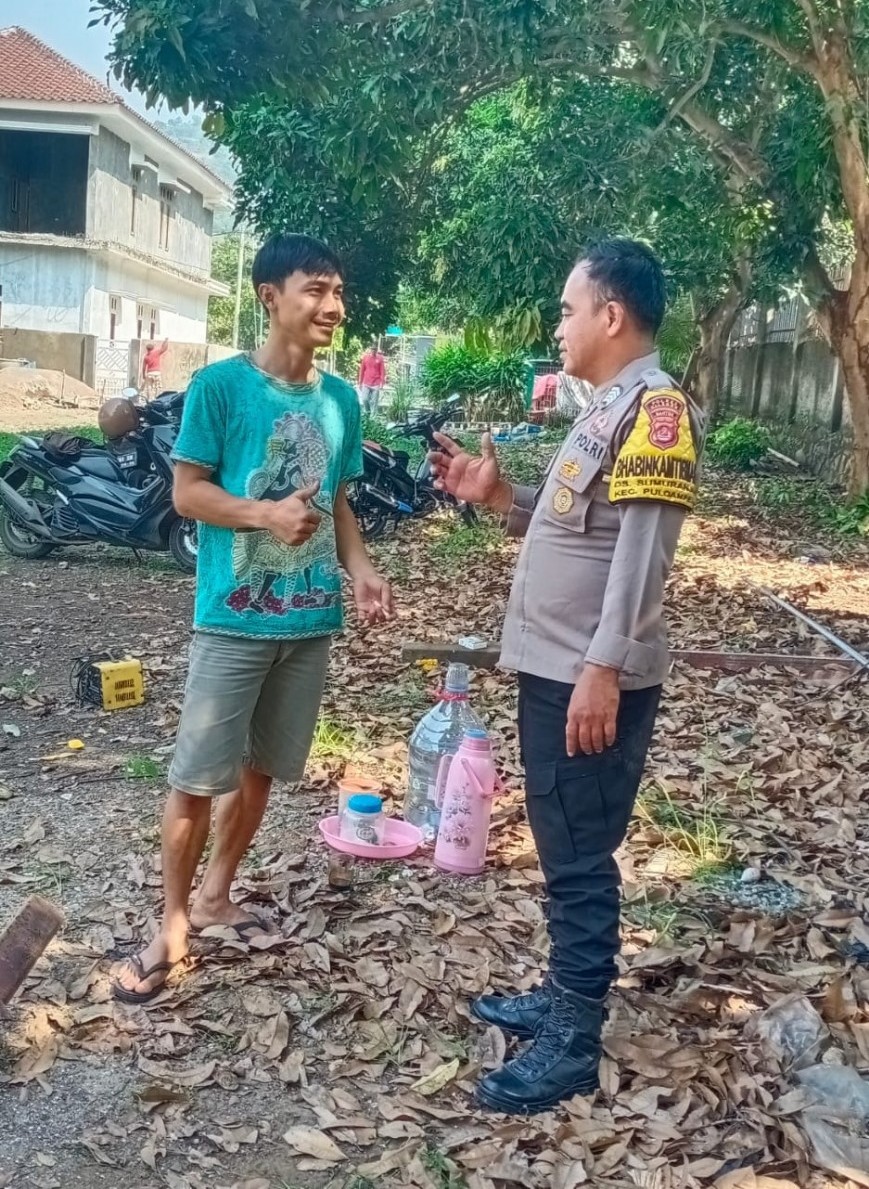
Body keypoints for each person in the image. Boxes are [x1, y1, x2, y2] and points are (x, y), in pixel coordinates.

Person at [430, 238, 705, 1114]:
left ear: (610, 315)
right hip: (558, 666)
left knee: (579, 853)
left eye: (566, 309)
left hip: (587, 672)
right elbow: (579, 529)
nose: (558, 326)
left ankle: (574, 1040)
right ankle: (562, 992)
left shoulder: (656, 410)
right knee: (561, 840)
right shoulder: (605, 409)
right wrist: (497, 498)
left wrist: (602, 667)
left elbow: (641, 554)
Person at [113, 233, 393, 1003]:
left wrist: (362, 569)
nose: (333, 306)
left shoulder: (340, 401)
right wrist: (263, 514)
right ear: (270, 297)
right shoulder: (219, 388)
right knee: (195, 777)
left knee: (261, 766)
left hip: (307, 620)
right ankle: (171, 925)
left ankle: (215, 894)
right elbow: (187, 493)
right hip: (232, 618)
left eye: (338, 292)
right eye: (316, 290)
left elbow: (337, 503)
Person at [358, 341, 386, 415]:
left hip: (376, 383)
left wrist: (382, 383)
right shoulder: (365, 358)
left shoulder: (380, 358)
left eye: (375, 349)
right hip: (366, 382)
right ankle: (368, 413)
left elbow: (382, 371)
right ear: (370, 349)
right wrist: (360, 382)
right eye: (372, 349)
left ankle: (373, 417)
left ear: (376, 350)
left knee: (374, 402)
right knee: (364, 399)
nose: (373, 350)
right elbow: (361, 370)